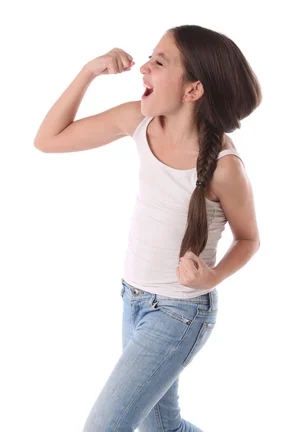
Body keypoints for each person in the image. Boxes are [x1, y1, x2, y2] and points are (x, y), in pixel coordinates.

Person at [34, 25, 261, 431]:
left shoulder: (225, 168)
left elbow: (249, 239)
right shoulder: (137, 122)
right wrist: (89, 71)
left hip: (180, 313)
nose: (143, 67)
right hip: (133, 298)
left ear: (192, 90)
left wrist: (214, 275)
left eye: (159, 62)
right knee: (162, 429)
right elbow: (48, 139)